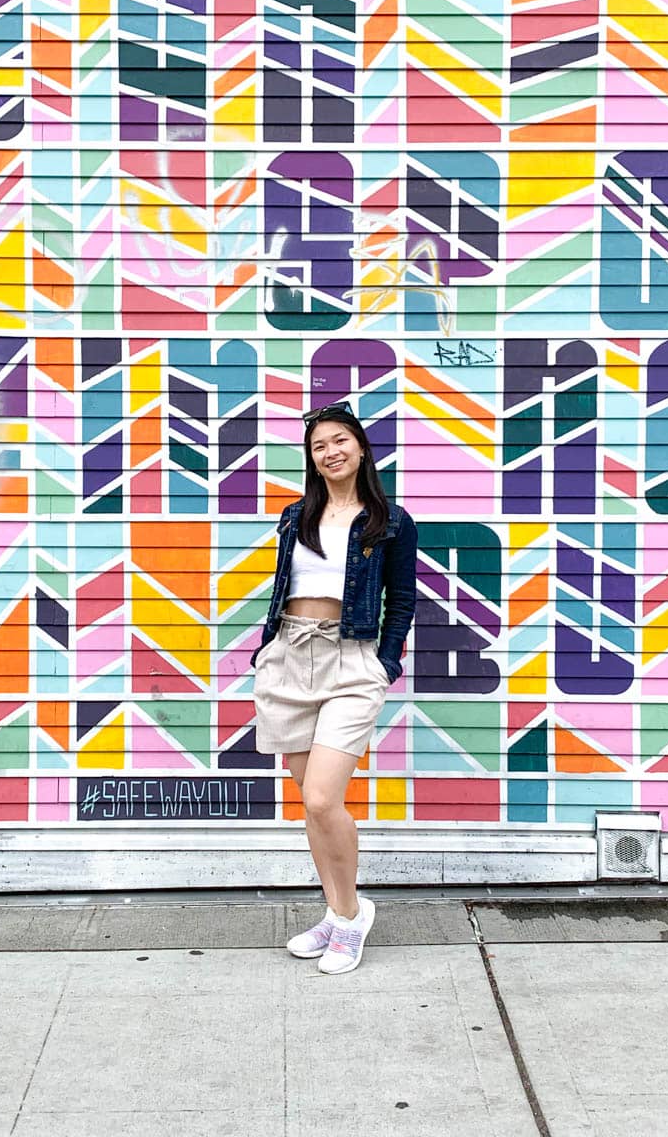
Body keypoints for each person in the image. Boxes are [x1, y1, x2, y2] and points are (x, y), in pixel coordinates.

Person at [250, 400, 418, 974]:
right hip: (290, 658)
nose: (331, 451)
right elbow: (284, 587)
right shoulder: (295, 516)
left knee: (323, 796)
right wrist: (267, 649)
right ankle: (337, 910)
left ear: (362, 447)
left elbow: (403, 603)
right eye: (319, 445)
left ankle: (350, 919)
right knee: (314, 806)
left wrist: (384, 664)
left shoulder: (389, 521)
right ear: (311, 458)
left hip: (351, 661)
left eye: (340, 440)